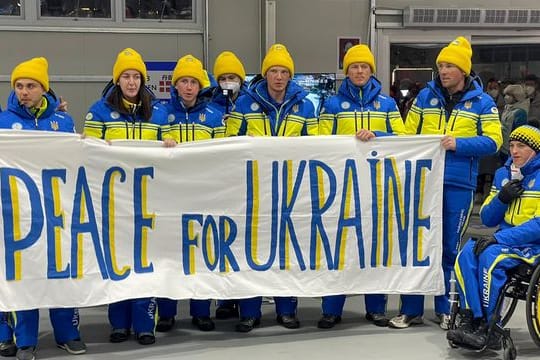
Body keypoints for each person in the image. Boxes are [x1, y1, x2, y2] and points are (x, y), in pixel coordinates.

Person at [390, 36, 503, 330]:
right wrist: (377, 137)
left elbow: (494, 142)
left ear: (463, 70)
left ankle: (444, 309)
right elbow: (405, 136)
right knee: (416, 247)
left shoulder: (483, 102)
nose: (443, 70)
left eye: (450, 65)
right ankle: (411, 310)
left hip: (458, 186)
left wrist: (459, 144)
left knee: (450, 249)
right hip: (423, 184)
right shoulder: (425, 97)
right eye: (441, 65)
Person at [84, 48, 175, 346]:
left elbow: (173, 153)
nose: (132, 82)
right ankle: (119, 324)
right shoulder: (98, 111)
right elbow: (88, 154)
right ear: (117, 79)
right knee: (119, 262)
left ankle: (145, 324)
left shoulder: (159, 112)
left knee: (146, 262)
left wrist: (171, 143)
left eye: (137, 76)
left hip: (151, 199)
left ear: (143, 80)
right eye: (126, 76)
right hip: (114, 201)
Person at [225, 43, 318, 332]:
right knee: (251, 251)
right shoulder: (244, 104)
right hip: (253, 189)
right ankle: (249, 312)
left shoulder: (305, 105)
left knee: (286, 251)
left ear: (291, 76)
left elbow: (318, 145)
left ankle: (286, 310)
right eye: (273, 71)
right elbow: (230, 144)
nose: (278, 77)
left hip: (291, 190)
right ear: (266, 74)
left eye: (283, 72)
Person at [0, 57, 85, 360]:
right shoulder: (3, 121)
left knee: (61, 271)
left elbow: (75, 161)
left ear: (43, 89)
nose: (24, 91)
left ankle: (68, 333)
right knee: (23, 275)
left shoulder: (62, 122)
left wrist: (86, 145)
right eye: (19, 86)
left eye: (31, 86)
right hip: (17, 214)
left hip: (56, 212)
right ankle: (25, 340)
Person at [317, 44, 406, 329]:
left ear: (371, 71)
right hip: (342, 185)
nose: (358, 71)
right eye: (353, 67)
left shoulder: (388, 104)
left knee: (374, 244)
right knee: (337, 245)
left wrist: (376, 134)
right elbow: (320, 142)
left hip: (377, 185)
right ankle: (331, 309)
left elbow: (402, 139)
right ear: (346, 72)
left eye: (363, 67)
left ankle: (376, 308)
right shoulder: (331, 104)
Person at [447, 125, 540, 349]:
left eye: (522, 146)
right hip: (504, 240)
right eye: (512, 145)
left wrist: (501, 239)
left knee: (491, 258)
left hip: (532, 246)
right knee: (466, 254)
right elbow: (488, 219)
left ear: (535, 151)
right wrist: (502, 198)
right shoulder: (503, 174)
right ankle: (472, 318)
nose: (514, 151)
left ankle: (490, 327)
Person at [155, 54, 223, 333]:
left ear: (200, 85)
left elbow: (224, 154)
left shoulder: (215, 117)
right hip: (169, 195)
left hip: (203, 195)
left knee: (202, 254)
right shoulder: (159, 113)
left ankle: (201, 311)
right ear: (176, 85)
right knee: (168, 255)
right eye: (183, 81)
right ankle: (167, 313)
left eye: (193, 81)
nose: (188, 87)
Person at [208, 50, 248, 320]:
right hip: (216, 184)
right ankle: (223, 299)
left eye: (232, 77)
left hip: (243, 182)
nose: (227, 82)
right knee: (220, 242)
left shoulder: (251, 103)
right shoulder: (207, 105)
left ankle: (244, 297)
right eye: (223, 78)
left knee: (244, 242)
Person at [499, 84, 529, 163]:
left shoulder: (520, 112)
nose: (506, 97)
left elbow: (518, 134)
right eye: (505, 94)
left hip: (511, 149)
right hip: (503, 146)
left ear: (516, 96)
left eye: (509, 95)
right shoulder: (507, 108)